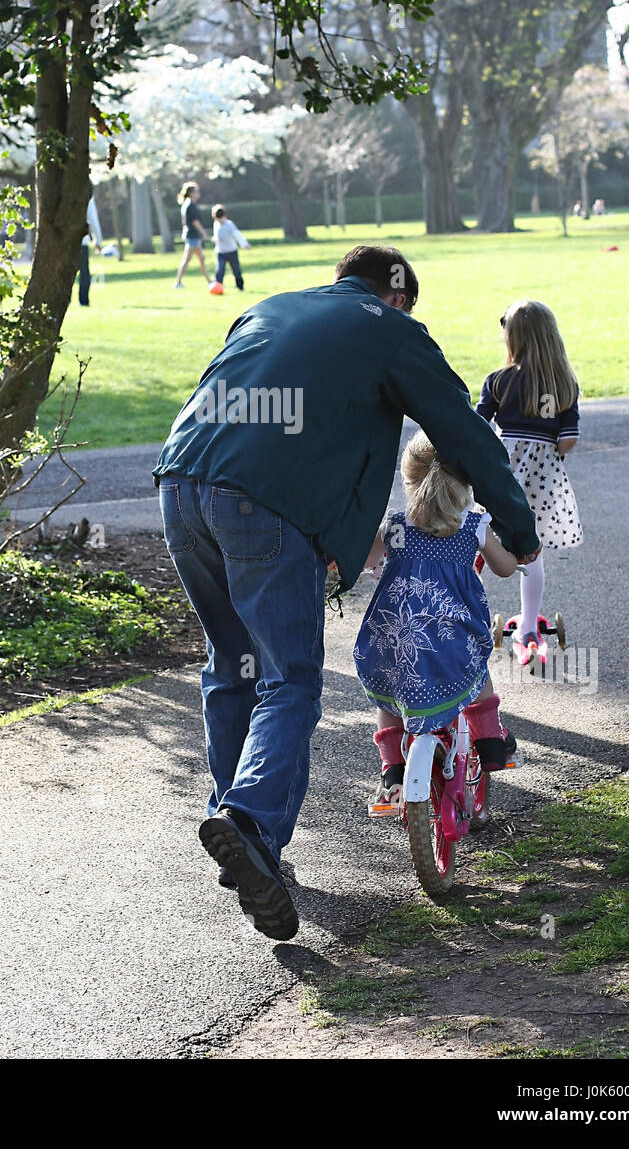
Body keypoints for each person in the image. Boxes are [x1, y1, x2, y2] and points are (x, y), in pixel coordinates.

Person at [153, 246, 540, 942]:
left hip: (180, 486)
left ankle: (239, 830)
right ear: (398, 297)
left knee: (230, 666)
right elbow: (462, 432)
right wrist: (516, 520)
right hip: (261, 505)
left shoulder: (269, 308)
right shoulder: (391, 330)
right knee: (289, 680)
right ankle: (249, 825)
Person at [355, 431, 520, 816]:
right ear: (465, 483)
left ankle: (392, 775)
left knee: (389, 691)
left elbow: (364, 560)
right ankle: (491, 742)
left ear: (409, 479)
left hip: (392, 643)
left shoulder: (395, 525)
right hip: (447, 643)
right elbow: (506, 567)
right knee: (474, 666)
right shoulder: (474, 526)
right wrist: (517, 555)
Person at [476, 299, 581, 664]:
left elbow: (478, 426)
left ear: (513, 339)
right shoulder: (564, 384)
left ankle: (460, 608)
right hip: (542, 483)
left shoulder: (499, 381)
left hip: (502, 476)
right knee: (531, 550)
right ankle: (528, 629)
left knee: (480, 538)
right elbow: (568, 440)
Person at [174, 182, 211, 288]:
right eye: (196, 191)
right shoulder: (190, 206)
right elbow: (195, 222)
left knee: (200, 259)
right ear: (191, 193)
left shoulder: (187, 204)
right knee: (189, 259)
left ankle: (208, 280)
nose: (198, 193)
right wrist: (203, 232)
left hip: (191, 236)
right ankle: (178, 282)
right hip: (192, 236)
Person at [212, 205, 250, 291]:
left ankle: (240, 286)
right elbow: (217, 235)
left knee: (236, 270)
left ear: (224, 216)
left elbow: (237, 234)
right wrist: (215, 239)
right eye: (218, 218)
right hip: (220, 252)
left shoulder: (229, 224)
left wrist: (244, 244)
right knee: (219, 271)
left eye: (221, 218)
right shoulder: (216, 224)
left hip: (231, 251)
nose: (220, 220)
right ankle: (218, 288)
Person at [77, 183, 103, 306]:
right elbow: (93, 219)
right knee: (84, 272)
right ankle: (83, 300)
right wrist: (97, 240)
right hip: (82, 241)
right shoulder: (87, 197)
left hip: (67, 240)